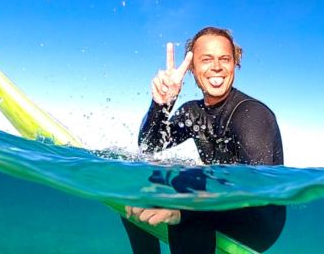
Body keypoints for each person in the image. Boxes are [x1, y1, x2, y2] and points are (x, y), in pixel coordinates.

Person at [122, 26, 286, 254]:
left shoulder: (252, 114)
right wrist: (161, 105)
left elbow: (258, 188)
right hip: (215, 202)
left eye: (224, 59)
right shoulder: (192, 112)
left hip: (259, 219)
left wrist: (186, 210)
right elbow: (149, 147)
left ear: (234, 65)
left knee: (186, 200)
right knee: (135, 185)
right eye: (206, 59)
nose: (216, 66)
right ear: (192, 68)